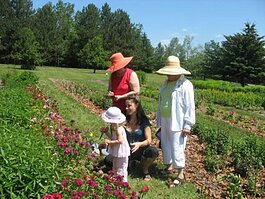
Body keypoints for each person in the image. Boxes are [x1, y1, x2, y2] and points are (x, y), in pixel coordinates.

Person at [156, 55, 195, 187]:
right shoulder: (165, 83)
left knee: (177, 146)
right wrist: (159, 121)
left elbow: (190, 105)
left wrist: (187, 124)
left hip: (178, 121)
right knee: (166, 143)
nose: (168, 74)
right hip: (166, 119)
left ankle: (180, 173)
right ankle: (168, 166)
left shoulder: (186, 85)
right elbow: (162, 101)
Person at [124, 95, 158, 181]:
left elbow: (149, 140)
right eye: (126, 106)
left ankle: (145, 169)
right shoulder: (124, 118)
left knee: (153, 152)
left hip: (141, 150)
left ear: (137, 105)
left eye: (129, 106)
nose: (127, 108)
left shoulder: (144, 121)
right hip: (126, 150)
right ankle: (130, 163)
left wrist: (139, 144)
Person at [101, 107, 130, 182]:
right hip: (117, 150)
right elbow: (113, 138)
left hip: (121, 151)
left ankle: (122, 182)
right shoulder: (114, 127)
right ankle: (116, 179)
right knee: (115, 166)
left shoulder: (119, 129)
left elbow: (120, 140)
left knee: (121, 168)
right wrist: (107, 133)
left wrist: (109, 142)